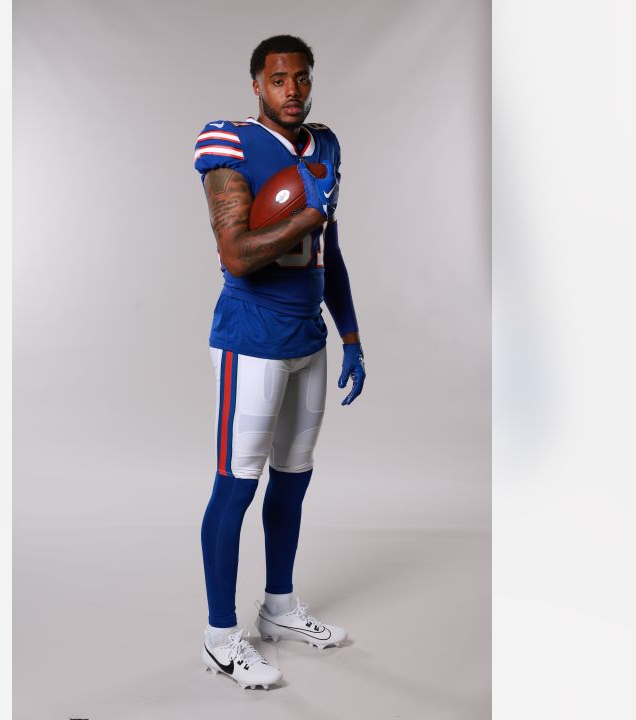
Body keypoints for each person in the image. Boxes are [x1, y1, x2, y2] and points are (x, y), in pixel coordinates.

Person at [192, 34, 367, 690]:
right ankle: (218, 638)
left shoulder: (325, 144)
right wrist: (303, 219)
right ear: (257, 86)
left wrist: (349, 335)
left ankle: (279, 606)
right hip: (251, 341)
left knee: (293, 478)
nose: (291, 89)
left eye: (301, 78)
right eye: (277, 79)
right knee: (236, 486)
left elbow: (332, 247)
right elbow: (237, 253)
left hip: (308, 342)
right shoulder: (229, 143)